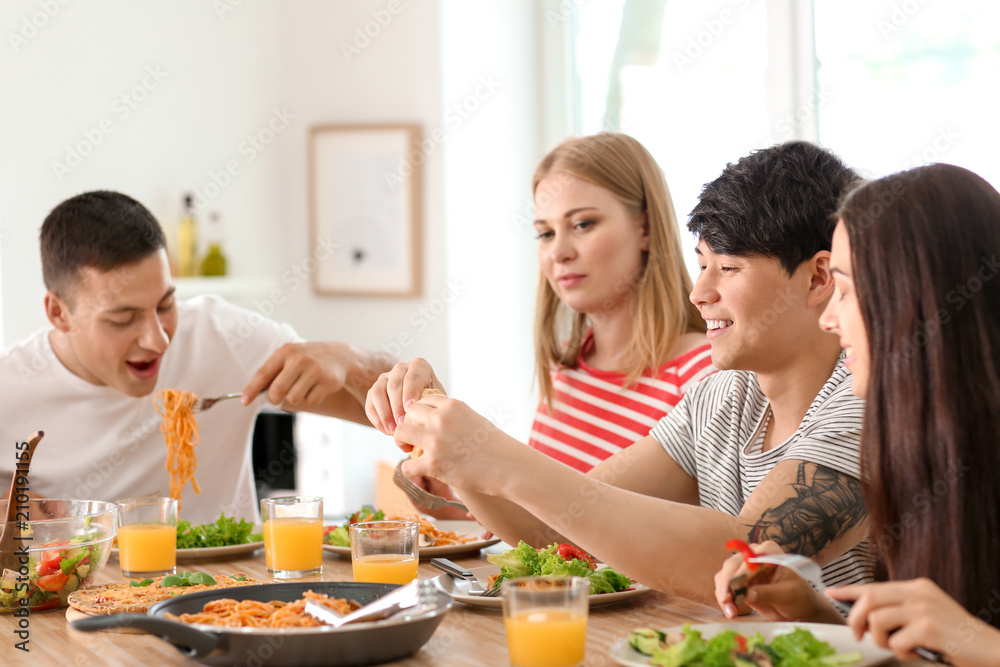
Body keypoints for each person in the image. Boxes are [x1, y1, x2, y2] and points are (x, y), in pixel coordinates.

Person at [371, 141, 872, 605]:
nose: (699, 294)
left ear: (818, 278)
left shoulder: (864, 406)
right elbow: (561, 529)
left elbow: (748, 566)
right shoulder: (721, 398)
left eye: (730, 268)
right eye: (702, 264)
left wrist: (492, 453)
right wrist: (451, 444)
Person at [712, 164, 1000, 665]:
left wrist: (971, 638)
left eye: (844, 290)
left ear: (912, 298)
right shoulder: (922, 446)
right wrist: (818, 614)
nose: (828, 318)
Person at [0, 191, 393, 524]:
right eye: (123, 318)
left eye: (166, 304)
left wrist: (351, 361)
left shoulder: (222, 336)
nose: (157, 339)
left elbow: (410, 410)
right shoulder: (10, 389)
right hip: (79, 607)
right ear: (58, 313)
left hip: (237, 601)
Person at [369, 132, 712, 476]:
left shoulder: (704, 376)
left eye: (582, 224)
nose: (558, 252)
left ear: (646, 228)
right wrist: (445, 471)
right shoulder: (565, 364)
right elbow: (537, 520)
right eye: (546, 233)